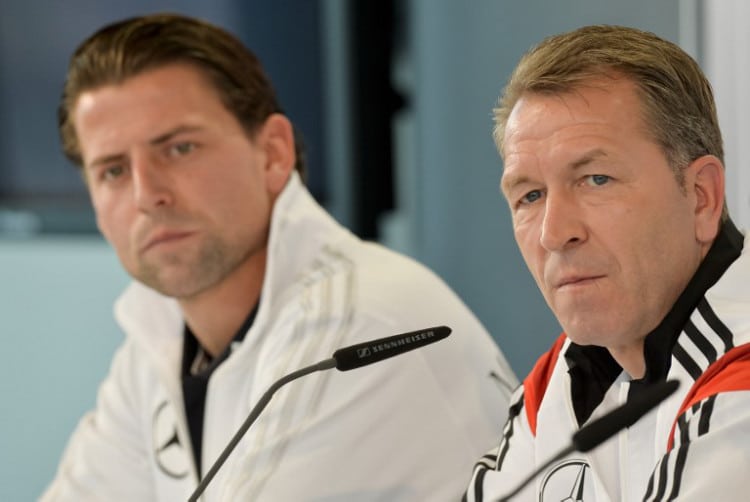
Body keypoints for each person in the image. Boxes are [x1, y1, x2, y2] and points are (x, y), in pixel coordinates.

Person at [41, 13, 518, 502]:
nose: (146, 194)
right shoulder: (156, 334)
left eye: (179, 148)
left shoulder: (356, 331)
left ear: (272, 153)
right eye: (113, 171)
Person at [465, 24, 750, 501]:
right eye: (530, 195)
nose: (555, 233)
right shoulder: (560, 374)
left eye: (596, 179)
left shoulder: (740, 374)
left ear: (701, 197)